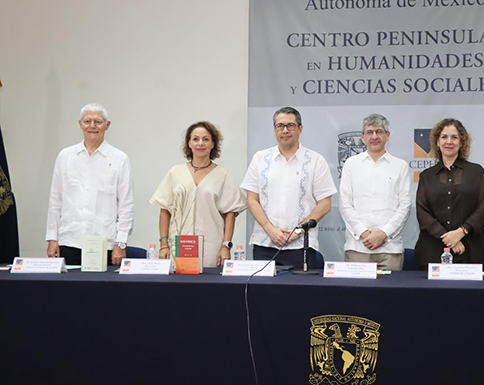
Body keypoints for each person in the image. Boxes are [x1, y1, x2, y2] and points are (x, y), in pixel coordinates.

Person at [241, 106, 337, 269]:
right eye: (280, 126)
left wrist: (298, 231)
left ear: (300, 129)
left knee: (302, 294)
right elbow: (252, 200)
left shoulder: (315, 160)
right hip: (264, 244)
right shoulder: (260, 159)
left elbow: (325, 204)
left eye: (290, 125)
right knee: (264, 294)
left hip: (302, 246)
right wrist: (270, 230)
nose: (285, 130)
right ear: (274, 129)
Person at [46, 103, 134, 266]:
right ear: (80, 124)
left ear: (107, 125)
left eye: (98, 122)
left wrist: (121, 243)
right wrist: (52, 238)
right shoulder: (65, 156)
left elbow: (126, 205)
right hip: (69, 241)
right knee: (68, 291)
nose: (92, 126)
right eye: (87, 121)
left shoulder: (119, 159)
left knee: (103, 291)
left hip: (105, 243)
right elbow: (55, 201)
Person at [150, 121, 246, 268]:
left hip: (210, 246)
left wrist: (226, 246)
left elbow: (230, 213)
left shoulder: (223, 175)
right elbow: (165, 210)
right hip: (178, 246)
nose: (200, 143)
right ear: (188, 143)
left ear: (213, 144)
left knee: (206, 288)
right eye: (195, 139)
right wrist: (163, 245)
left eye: (206, 139)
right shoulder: (175, 172)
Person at [339, 113, 411, 271]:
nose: (374, 136)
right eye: (369, 132)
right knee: (356, 295)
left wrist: (383, 234)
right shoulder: (351, 164)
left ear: (388, 135)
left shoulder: (400, 165)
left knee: (390, 295)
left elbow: (405, 206)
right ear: (362, 137)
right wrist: (364, 233)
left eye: (379, 131)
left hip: (390, 249)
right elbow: (345, 204)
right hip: (358, 247)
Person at [415, 118, 484, 269]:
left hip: (470, 250)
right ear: (437, 142)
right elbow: (422, 211)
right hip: (432, 250)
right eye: (444, 137)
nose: (449, 141)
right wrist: (449, 238)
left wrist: (461, 232)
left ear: (462, 143)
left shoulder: (476, 172)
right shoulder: (426, 176)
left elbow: (482, 207)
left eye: (454, 137)